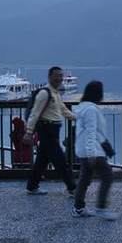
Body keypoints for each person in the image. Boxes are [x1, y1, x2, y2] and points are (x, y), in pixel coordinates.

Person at [24, 66, 77, 195]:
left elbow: (63, 110)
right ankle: (72, 187)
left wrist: (78, 118)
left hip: (54, 130)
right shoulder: (44, 93)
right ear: (49, 77)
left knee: (42, 160)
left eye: (61, 76)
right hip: (47, 130)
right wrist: (29, 131)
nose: (59, 78)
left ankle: (32, 186)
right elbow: (35, 113)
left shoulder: (56, 93)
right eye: (56, 76)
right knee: (60, 160)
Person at [73, 81, 117, 220]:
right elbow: (91, 132)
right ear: (97, 94)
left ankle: (78, 208)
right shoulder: (91, 110)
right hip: (91, 150)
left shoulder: (83, 107)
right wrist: (91, 153)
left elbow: (91, 131)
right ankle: (101, 207)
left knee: (85, 178)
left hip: (83, 148)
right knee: (107, 175)